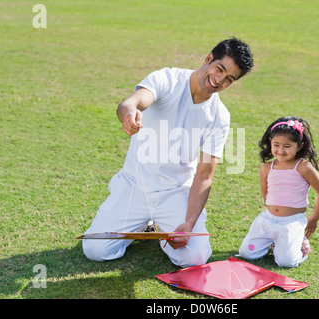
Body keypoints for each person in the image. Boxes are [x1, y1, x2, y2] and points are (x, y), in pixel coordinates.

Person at [82, 38, 254, 268]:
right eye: (219, 69)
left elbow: (204, 174)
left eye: (229, 79)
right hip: (134, 184)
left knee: (194, 258)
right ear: (208, 59)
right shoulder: (167, 79)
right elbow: (132, 102)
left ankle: (164, 231)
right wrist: (129, 113)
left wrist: (189, 223)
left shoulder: (219, 116)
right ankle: (142, 226)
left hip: (175, 192)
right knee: (95, 249)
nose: (219, 80)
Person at [238, 116, 319, 268]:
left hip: (291, 222)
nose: (281, 150)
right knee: (247, 253)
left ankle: (298, 240)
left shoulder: (303, 167)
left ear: (299, 146)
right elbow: (266, 193)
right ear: (270, 142)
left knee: (286, 263)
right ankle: (275, 242)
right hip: (267, 220)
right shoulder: (266, 168)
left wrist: (313, 219)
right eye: (276, 145)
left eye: (287, 146)